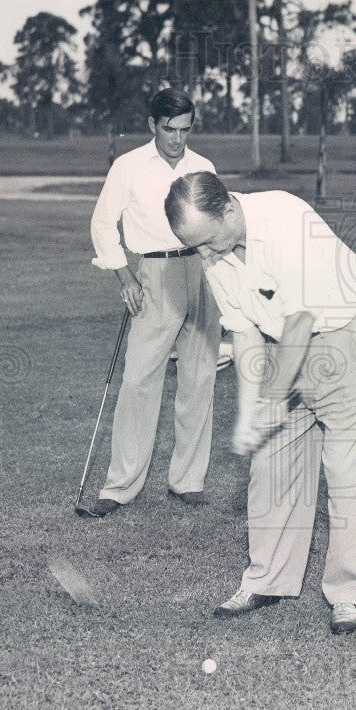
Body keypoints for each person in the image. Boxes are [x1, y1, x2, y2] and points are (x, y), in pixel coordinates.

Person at [163, 171, 356, 635]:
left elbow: (302, 321)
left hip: (345, 336)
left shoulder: (285, 217)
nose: (204, 255)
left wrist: (269, 402)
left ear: (227, 210)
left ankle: (347, 594)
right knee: (271, 464)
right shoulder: (216, 248)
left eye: (207, 242)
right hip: (278, 344)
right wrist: (251, 411)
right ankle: (267, 580)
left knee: (349, 468)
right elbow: (245, 331)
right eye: (195, 248)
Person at [79, 89, 225, 518]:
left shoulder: (204, 167)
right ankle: (120, 487)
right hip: (154, 275)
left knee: (199, 378)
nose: (178, 139)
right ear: (152, 125)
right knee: (139, 382)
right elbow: (103, 224)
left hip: (202, 271)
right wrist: (125, 276)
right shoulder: (128, 167)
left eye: (185, 129)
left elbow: (218, 228)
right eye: (169, 129)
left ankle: (188, 481)